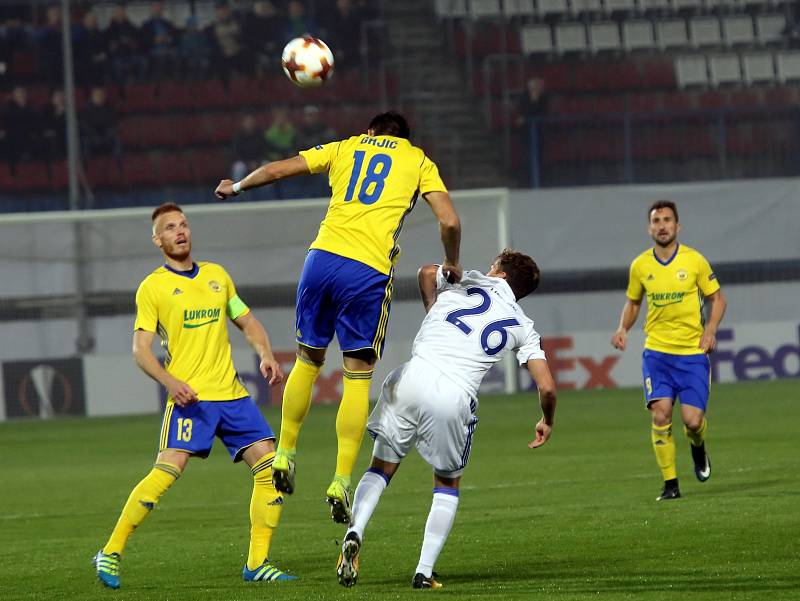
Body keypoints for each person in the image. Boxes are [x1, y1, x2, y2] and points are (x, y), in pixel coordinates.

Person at [214, 111, 462, 525]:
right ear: (403, 137)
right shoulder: (418, 160)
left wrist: (236, 185)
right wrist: (451, 261)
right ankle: (340, 481)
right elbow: (450, 220)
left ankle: (285, 453)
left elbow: (278, 169)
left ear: (371, 132)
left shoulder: (346, 146)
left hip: (321, 259)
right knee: (356, 376)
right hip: (366, 270)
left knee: (308, 361)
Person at [93, 203, 296, 589]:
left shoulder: (218, 277)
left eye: (183, 224)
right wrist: (170, 383)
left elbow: (246, 320)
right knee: (166, 472)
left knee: (270, 468)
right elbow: (141, 350)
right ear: (158, 240)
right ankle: (111, 550)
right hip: (192, 399)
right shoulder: (153, 288)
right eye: (170, 228)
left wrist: (266, 354)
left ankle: (257, 562)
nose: (180, 231)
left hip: (233, 395)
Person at [335, 250, 557, 589]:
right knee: (446, 485)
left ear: (500, 272)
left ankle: (355, 530)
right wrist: (546, 419)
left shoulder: (467, 281)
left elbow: (425, 271)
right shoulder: (523, 326)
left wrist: (433, 308)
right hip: (453, 395)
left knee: (379, 469)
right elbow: (548, 388)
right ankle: (423, 572)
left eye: (493, 264)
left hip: (412, 375)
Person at [611, 200, 727, 501]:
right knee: (660, 415)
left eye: (667, 220)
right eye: (656, 220)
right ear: (650, 228)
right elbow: (634, 302)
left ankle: (698, 447)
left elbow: (718, 299)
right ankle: (670, 484)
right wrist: (623, 328)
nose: (661, 225)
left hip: (691, 355)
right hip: (657, 354)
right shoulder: (640, 266)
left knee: (692, 421)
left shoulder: (694, 261)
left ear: (677, 226)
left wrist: (710, 330)